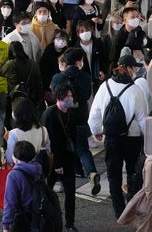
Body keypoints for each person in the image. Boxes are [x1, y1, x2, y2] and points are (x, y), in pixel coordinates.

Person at [88, 54, 148, 218]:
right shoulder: (136, 90)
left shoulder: (104, 86)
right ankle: (131, 206)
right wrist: (148, 143)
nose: (135, 70)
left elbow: (94, 114)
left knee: (113, 175)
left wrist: (96, 131)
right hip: (132, 138)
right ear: (127, 69)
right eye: (134, 67)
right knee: (132, 173)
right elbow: (143, 119)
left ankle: (119, 211)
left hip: (112, 138)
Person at [42, 84, 87, 231]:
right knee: (46, 191)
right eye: (67, 96)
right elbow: (50, 142)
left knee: (70, 192)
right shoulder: (50, 114)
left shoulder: (71, 114)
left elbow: (73, 137)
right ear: (59, 97)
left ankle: (70, 223)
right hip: (53, 160)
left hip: (68, 158)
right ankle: (44, 219)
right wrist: (56, 163)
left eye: (71, 96)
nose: (70, 99)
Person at [2, 140, 46, 232]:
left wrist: (6, 225)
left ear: (16, 158)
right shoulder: (38, 168)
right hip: (39, 213)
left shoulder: (13, 175)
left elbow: (10, 202)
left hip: (22, 216)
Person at [5, 97, 50, 168]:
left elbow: (10, 158)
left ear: (17, 114)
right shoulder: (43, 130)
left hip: (21, 173)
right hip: (39, 170)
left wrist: (8, 140)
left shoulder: (14, 134)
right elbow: (48, 151)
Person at [2, 40, 43, 108]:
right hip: (30, 97)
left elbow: (0, 72)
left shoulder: (11, 64)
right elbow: (39, 83)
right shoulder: (33, 64)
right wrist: (39, 98)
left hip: (15, 98)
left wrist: (7, 59)